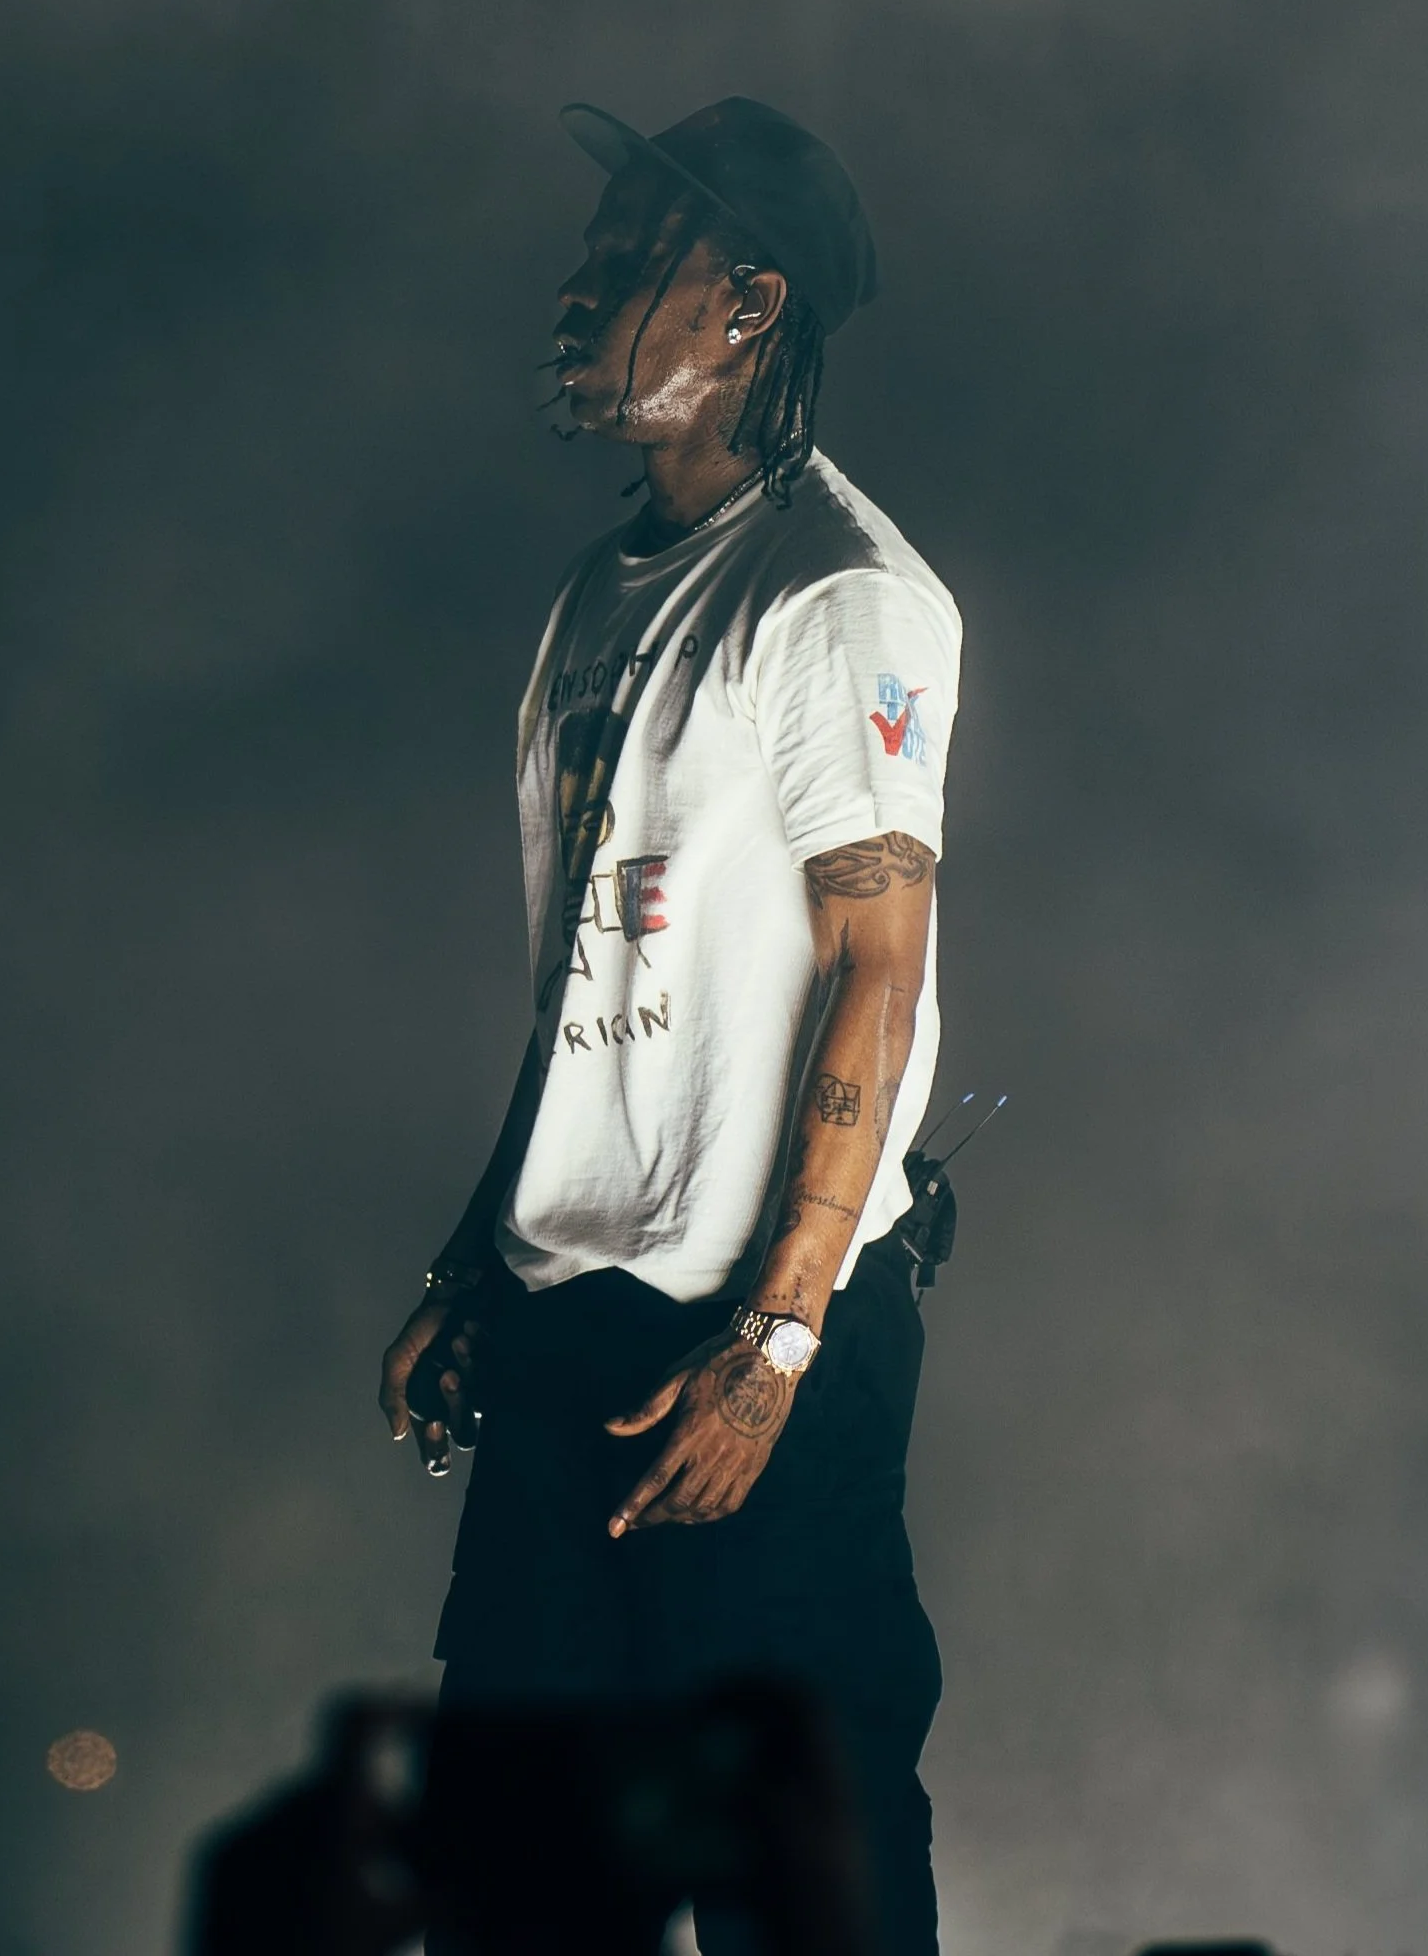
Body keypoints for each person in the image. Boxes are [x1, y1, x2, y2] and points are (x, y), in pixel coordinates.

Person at [377, 96, 963, 1955]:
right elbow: (585, 978)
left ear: (751, 308)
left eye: (632, 258)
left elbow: (880, 965)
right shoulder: (593, 602)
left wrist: (779, 1339)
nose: (577, 294)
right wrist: (485, 1253)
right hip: (573, 1341)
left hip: (754, 1358)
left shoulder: (837, 592)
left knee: (810, 1892)